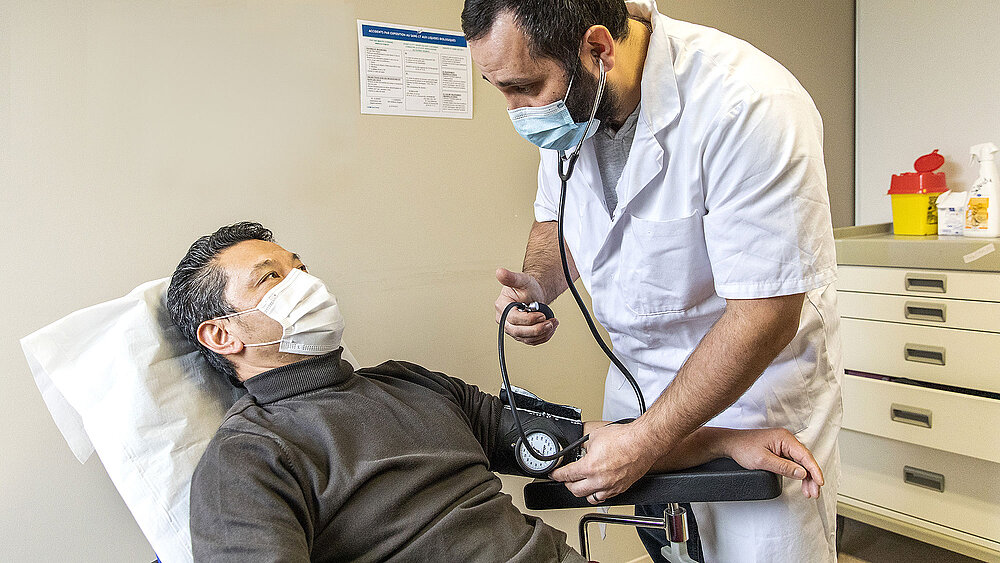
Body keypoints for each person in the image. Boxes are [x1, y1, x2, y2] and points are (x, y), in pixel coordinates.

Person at [170, 222, 825, 562]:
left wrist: (726, 439)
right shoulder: (250, 457)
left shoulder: (409, 383)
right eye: (271, 277)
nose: (303, 281)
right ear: (221, 335)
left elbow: (573, 446)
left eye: (301, 267)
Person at [462, 0, 842, 560]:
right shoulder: (578, 110)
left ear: (597, 49)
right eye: (501, 88)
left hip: (753, 395)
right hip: (637, 389)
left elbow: (764, 316)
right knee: (672, 549)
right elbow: (557, 221)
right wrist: (539, 284)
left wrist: (644, 442)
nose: (517, 110)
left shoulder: (750, 105)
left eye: (526, 86)